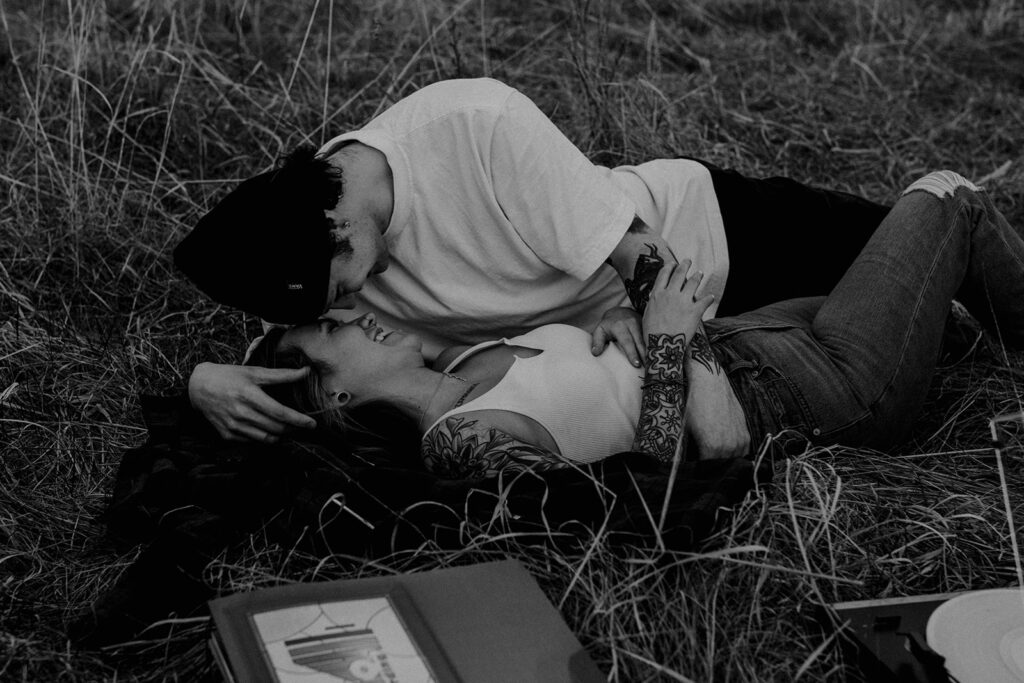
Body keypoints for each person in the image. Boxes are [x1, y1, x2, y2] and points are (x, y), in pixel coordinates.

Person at [174, 78, 890, 450]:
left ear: (337, 224)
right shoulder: (322, 262)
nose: (357, 299)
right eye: (337, 303)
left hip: (713, 240)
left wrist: (704, 397)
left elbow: (646, 259)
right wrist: (200, 381)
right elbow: (301, 370)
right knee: (906, 332)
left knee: (910, 239)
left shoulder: (475, 127)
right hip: (633, 345)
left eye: (345, 280)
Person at [242, 172, 1023, 476]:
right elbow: (657, 490)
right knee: (949, 199)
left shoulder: (464, 361)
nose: (356, 318)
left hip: (750, 339)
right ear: (337, 399)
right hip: (805, 394)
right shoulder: (461, 439)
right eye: (335, 334)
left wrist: (632, 319)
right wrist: (671, 340)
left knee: (942, 310)